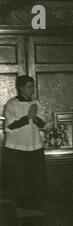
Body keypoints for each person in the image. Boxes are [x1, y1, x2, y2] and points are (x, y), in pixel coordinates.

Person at [2, 75, 47, 210]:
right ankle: (19, 208)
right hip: (17, 147)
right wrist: (28, 117)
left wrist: (34, 118)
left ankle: (35, 207)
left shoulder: (36, 103)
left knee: (35, 178)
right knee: (18, 180)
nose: (32, 89)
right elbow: (9, 127)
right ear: (21, 88)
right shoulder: (12, 104)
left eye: (33, 86)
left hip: (34, 145)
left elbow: (43, 124)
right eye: (29, 86)